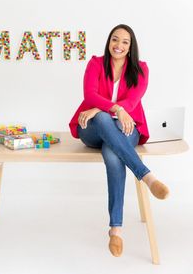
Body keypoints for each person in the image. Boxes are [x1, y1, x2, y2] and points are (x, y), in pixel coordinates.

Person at [69, 24, 169, 257]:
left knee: (113, 153)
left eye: (125, 42)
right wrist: (112, 109)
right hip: (91, 127)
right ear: (109, 41)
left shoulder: (141, 69)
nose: (119, 45)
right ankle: (147, 176)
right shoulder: (95, 64)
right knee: (104, 118)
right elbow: (90, 95)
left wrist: (114, 110)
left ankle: (116, 230)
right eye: (115, 40)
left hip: (127, 127)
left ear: (131, 46)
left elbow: (133, 101)